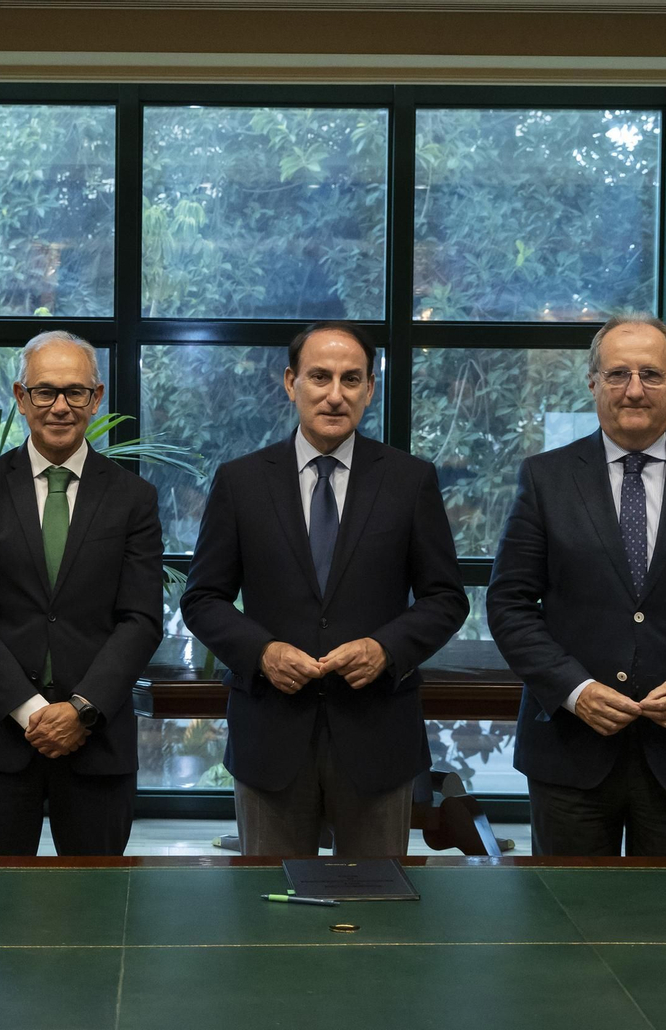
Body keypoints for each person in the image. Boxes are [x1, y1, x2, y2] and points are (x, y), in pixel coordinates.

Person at [487, 313, 666, 857]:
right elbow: (509, 604)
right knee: (568, 910)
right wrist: (574, 691)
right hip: (570, 754)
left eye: (651, 374)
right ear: (593, 382)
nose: (634, 389)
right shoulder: (546, 478)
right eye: (618, 373)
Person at [181, 321, 467, 857]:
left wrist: (385, 648)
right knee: (271, 903)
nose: (336, 395)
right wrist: (262, 652)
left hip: (378, 737)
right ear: (291, 383)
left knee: (376, 899)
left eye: (351, 379)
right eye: (320, 377)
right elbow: (202, 598)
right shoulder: (241, 482)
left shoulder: (410, 481)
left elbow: (446, 598)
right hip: (270, 738)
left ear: (370, 389)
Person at [0, 331, 163, 856]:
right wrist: (31, 711)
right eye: (45, 392)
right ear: (21, 398)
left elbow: (140, 619)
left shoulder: (133, 498)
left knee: (96, 901)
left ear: (96, 397)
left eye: (75, 391)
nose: (60, 406)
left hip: (98, 741)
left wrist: (81, 709)